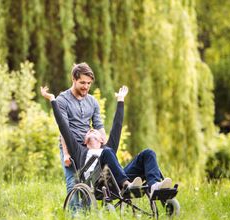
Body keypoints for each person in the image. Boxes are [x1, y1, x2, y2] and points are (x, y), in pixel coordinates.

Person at [41, 85, 173, 196]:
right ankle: (127, 185)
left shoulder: (106, 147)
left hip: (118, 178)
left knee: (148, 153)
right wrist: (53, 100)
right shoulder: (79, 150)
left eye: (95, 130)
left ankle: (154, 185)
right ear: (85, 141)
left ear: (101, 139)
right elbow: (63, 125)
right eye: (89, 130)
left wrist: (120, 99)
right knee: (108, 152)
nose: (91, 129)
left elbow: (117, 126)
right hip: (100, 184)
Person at [56, 63, 107, 194]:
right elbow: (64, 129)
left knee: (90, 182)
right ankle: (74, 214)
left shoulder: (93, 101)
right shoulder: (62, 100)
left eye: (89, 83)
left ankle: (87, 214)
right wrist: (66, 154)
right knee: (73, 182)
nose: (86, 87)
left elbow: (99, 125)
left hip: (88, 146)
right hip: (71, 146)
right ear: (73, 79)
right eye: (82, 83)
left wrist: (106, 147)